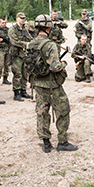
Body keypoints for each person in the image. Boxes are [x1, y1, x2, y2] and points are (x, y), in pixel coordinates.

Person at [29, 14, 77, 153]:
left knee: (42, 112)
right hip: (52, 85)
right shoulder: (50, 45)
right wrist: (63, 64)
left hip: (38, 83)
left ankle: (46, 143)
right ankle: (62, 141)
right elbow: (54, 67)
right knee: (63, 109)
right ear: (48, 27)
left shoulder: (31, 43)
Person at [8, 12, 33, 101]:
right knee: (17, 74)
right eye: (21, 18)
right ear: (17, 19)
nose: (23, 19)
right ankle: (16, 93)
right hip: (16, 55)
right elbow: (14, 41)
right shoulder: (12, 29)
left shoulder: (24, 29)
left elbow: (29, 38)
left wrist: (34, 42)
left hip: (23, 55)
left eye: (24, 18)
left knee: (24, 73)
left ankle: (23, 90)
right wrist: (27, 44)